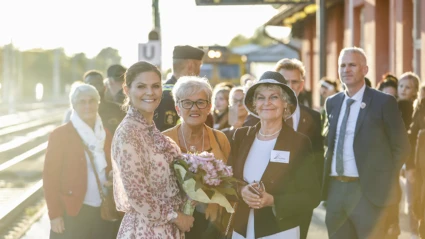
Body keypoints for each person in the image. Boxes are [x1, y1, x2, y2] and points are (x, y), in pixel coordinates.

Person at [323, 47, 410, 239]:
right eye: (342, 65)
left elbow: (401, 146)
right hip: (336, 191)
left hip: (368, 193)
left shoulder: (383, 102)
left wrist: (381, 176)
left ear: (365, 69)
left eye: (352, 65)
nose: (346, 69)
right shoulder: (332, 102)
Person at [228, 71, 320, 239]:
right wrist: (241, 191)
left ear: (285, 103)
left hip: (279, 231)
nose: (267, 103)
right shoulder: (241, 137)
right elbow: (227, 182)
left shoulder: (298, 142)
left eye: (274, 97)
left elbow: (311, 196)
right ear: (254, 104)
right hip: (241, 230)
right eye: (261, 98)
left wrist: (273, 200)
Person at [111, 61, 194, 238]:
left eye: (155, 86)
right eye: (141, 86)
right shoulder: (128, 134)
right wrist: (177, 217)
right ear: (127, 90)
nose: (150, 92)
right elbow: (137, 195)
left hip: (167, 229)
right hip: (145, 230)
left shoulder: (151, 130)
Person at [163, 76, 231, 239]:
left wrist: (215, 202)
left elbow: (229, 180)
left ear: (209, 107)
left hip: (213, 226)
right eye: (187, 103)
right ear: (177, 108)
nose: (195, 108)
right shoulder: (164, 141)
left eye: (201, 102)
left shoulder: (220, 139)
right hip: (173, 226)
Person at [44, 84, 115, 239]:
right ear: (74, 106)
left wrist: (112, 177)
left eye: (92, 101)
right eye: (82, 102)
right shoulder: (60, 135)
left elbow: (111, 167)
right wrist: (54, 215)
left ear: (98, 103)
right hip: (73, 211)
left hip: (102, 210)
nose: (88, 105)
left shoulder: (106, 133)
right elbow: (50, 178)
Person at [154, 45, 205, 132]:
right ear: (190, 66)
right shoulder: (171, 97)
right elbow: (166, 134)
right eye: (199, 66)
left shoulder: (162, 90)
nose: (200, 72)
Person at [83, 70, 126, 134]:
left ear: (105, 87)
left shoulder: (119, 110)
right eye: (90, 85)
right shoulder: (76, 114)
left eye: (97, 84)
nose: (94, 88)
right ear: (83, 89)